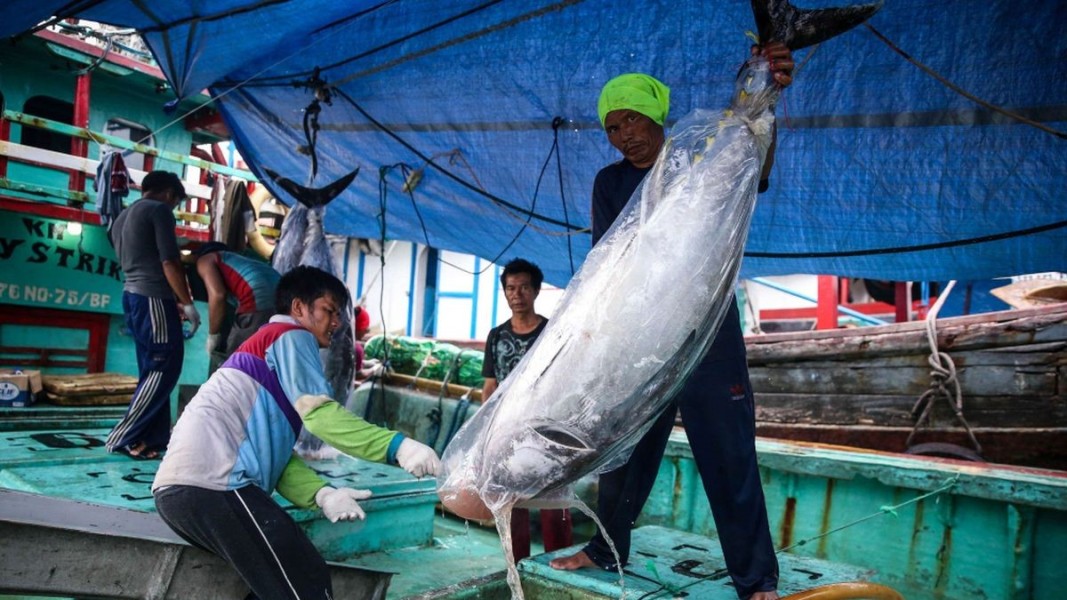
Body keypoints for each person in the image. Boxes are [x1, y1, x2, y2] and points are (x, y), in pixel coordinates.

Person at [549, 43, 795, 600]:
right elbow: (605, 264)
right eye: (612, 127)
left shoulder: (700, 156)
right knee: (624, 451)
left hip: (708, 331)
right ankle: (604, 548)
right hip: (643, 339)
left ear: (657, 114)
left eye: (632, 118)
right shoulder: (609, 184)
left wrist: (766, 84)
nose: (624, 134)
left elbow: (752, 158)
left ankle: (757, 581)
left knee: (728, 454)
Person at [152, 265, 441, 599]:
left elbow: (274, 458)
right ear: (299, 308)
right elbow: (322, 416)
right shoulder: (290, 334)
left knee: (268, 584)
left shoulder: (265, 359)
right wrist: (398, 446)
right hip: (214, 486)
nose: (337, 323)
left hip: (180, 494)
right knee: (304, 578)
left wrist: (322, 493)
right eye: (329, 311)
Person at [105, 170, 200, 460]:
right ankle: (124, 436)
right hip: (152, 298)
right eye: (176, 202)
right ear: (170, 194)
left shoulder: (121, 217)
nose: (174, 208)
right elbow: (169, 261)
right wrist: (187, 303)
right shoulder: (159, 210)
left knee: (153, 369)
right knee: (163, 366)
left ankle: (152, 439)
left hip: (133, 296)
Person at [481, 258, 573, 560]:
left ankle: (557, 565)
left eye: (523, 288)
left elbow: (563, 380)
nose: (516, 294)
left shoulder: (552, 332)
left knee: (554, 502)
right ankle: (516, 566)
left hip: (546, 431)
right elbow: (490, 387)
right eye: (510, 288)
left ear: (535, 291)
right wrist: (486, 431)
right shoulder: (496, 337)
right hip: (507, 432)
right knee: (512, 503)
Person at [194, 241, 280, 371]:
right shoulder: (241, 263)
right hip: (282, 296)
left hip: (257, 294)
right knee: (261, 355)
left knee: (237, 359)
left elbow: (218, 295)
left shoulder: (205, 260)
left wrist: (213, 335)